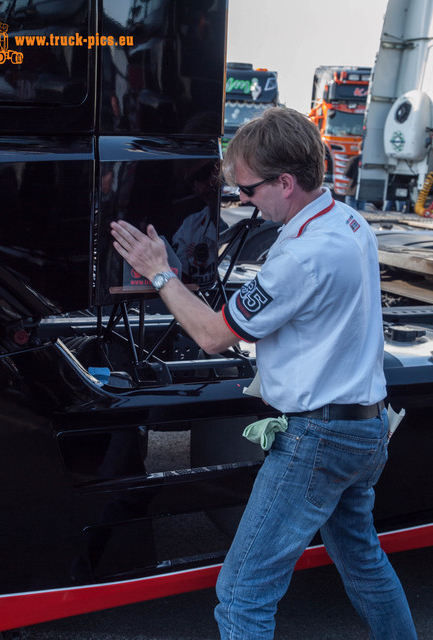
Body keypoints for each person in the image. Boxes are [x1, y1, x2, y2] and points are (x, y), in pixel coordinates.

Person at [110, 107, 417, 639]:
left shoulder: (299, 257)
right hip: (365, 430)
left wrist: (161, 271)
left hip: (318, 437)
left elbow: (211, 336)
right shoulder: (349, 223)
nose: (243, 201)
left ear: (285, 182)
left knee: (242, 594)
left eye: (249, 190)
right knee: (364, 564)